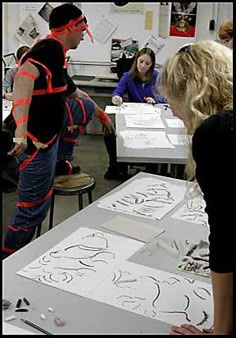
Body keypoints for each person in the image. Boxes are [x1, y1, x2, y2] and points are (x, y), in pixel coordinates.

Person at [2, 3, 115, 259]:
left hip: (48, 139)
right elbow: (23, 77)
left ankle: (61, 161)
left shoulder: (57, 54)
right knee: (31, 211)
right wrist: (20, 129)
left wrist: (103, 116)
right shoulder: (49, 48)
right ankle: (8, 263)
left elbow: (77, 95)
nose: (85, 34)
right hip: (34, 144)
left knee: (80, 106)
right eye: (82, 28)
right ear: (71, 28)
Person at [159, 40, 235, 335]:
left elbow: (226, 236)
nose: (176, 114)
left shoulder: (217, 132)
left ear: (189, 94)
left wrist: (222, 331)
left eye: (171, 103)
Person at [104, 47, 166, 180]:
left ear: (152, 65)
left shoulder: (157, 76)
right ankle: (116, 166)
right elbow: (117, 91)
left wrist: (156, 100)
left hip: (152, 117)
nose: (143, 66)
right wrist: (116, 98)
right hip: (132, 116)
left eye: (147, 63)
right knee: (110, 134)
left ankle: (152, 168)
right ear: (136, 61)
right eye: (141, 61)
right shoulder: (128, 76)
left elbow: (165, 97)